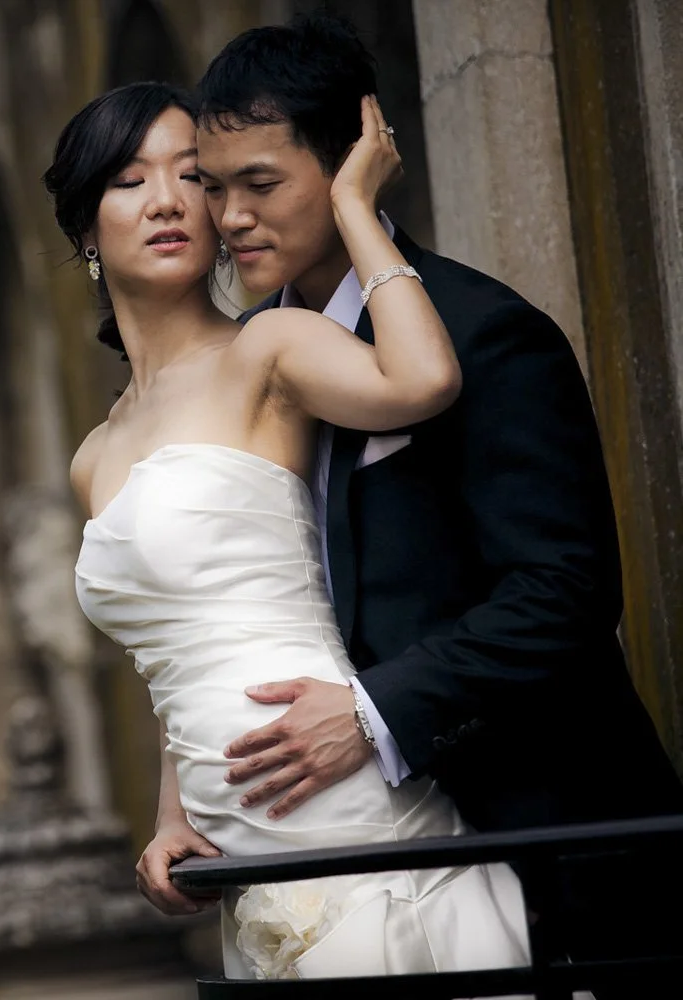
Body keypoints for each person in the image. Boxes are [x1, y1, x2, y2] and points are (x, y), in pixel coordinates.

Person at [137, 10, 683, 983]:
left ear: (354, 165)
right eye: (212, 188)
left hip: (546, 855)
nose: (229, 218)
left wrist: (373, 712)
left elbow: (563, 589)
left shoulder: (486, 336)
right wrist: (181, 799)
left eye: (261, 183)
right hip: (335, 876)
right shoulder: (243, 366)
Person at [51, 77, 533, 980]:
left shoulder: (267, 349)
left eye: (192, 176)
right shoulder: (94, 454)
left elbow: (424, 379)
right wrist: (174, 814)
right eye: (129, 179)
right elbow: (174, 655)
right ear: (85, 226)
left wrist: (356, 206)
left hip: (335, 786)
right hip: (244, 852)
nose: (167, 201)